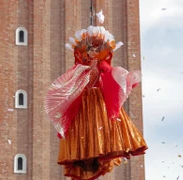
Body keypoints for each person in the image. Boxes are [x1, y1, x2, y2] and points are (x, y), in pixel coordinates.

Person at [45, 26, 148, 180]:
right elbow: (70, 82)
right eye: (90, 50)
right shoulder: (79, 68)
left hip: (99, 102)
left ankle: (100, 150)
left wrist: (126, 79)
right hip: (82, 102)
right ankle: (86, 153)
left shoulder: (103, 66)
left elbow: (113, 76)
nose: (93, 53)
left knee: (102, 126)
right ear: (84, 51)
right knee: (84, 129)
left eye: (96, 50)